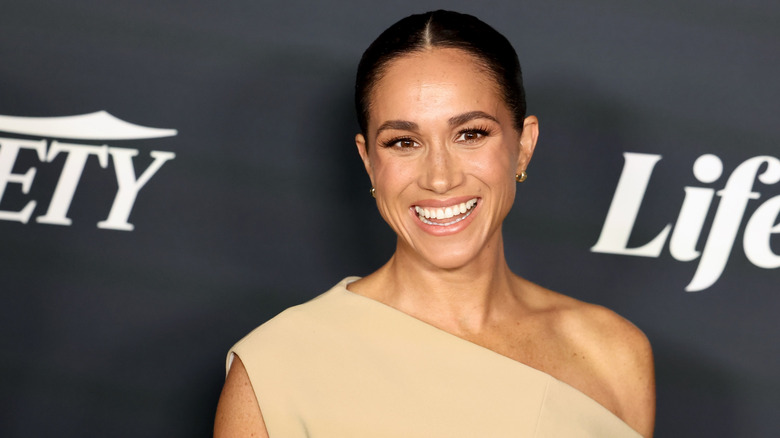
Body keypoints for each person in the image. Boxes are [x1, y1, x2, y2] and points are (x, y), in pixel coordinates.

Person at [214, 10, 655, 438]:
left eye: (471, 134)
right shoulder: (277, 370)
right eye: (403, 142)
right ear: (368, 161)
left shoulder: (613, 354)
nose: (440, 178)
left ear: (523, 145)